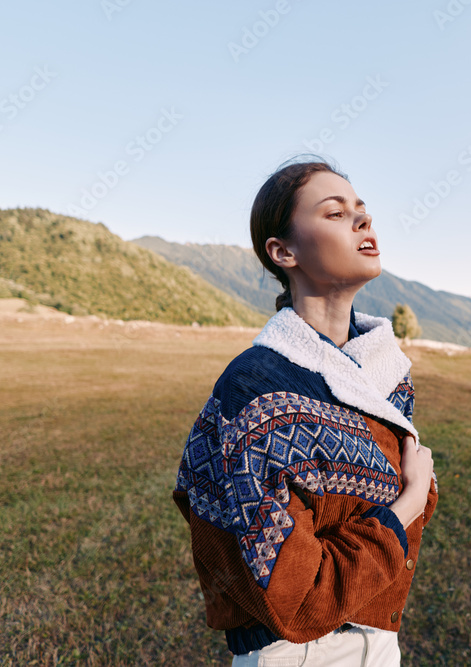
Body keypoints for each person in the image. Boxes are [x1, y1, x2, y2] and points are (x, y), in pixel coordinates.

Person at [172, 156, 437, 666]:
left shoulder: (386, 375)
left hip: (380, 637)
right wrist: (409, 502)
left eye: (362, 209)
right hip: (297, 653)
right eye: (335, 213)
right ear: (283, 251)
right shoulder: (256, 389)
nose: (363, 221)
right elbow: (296, 598)